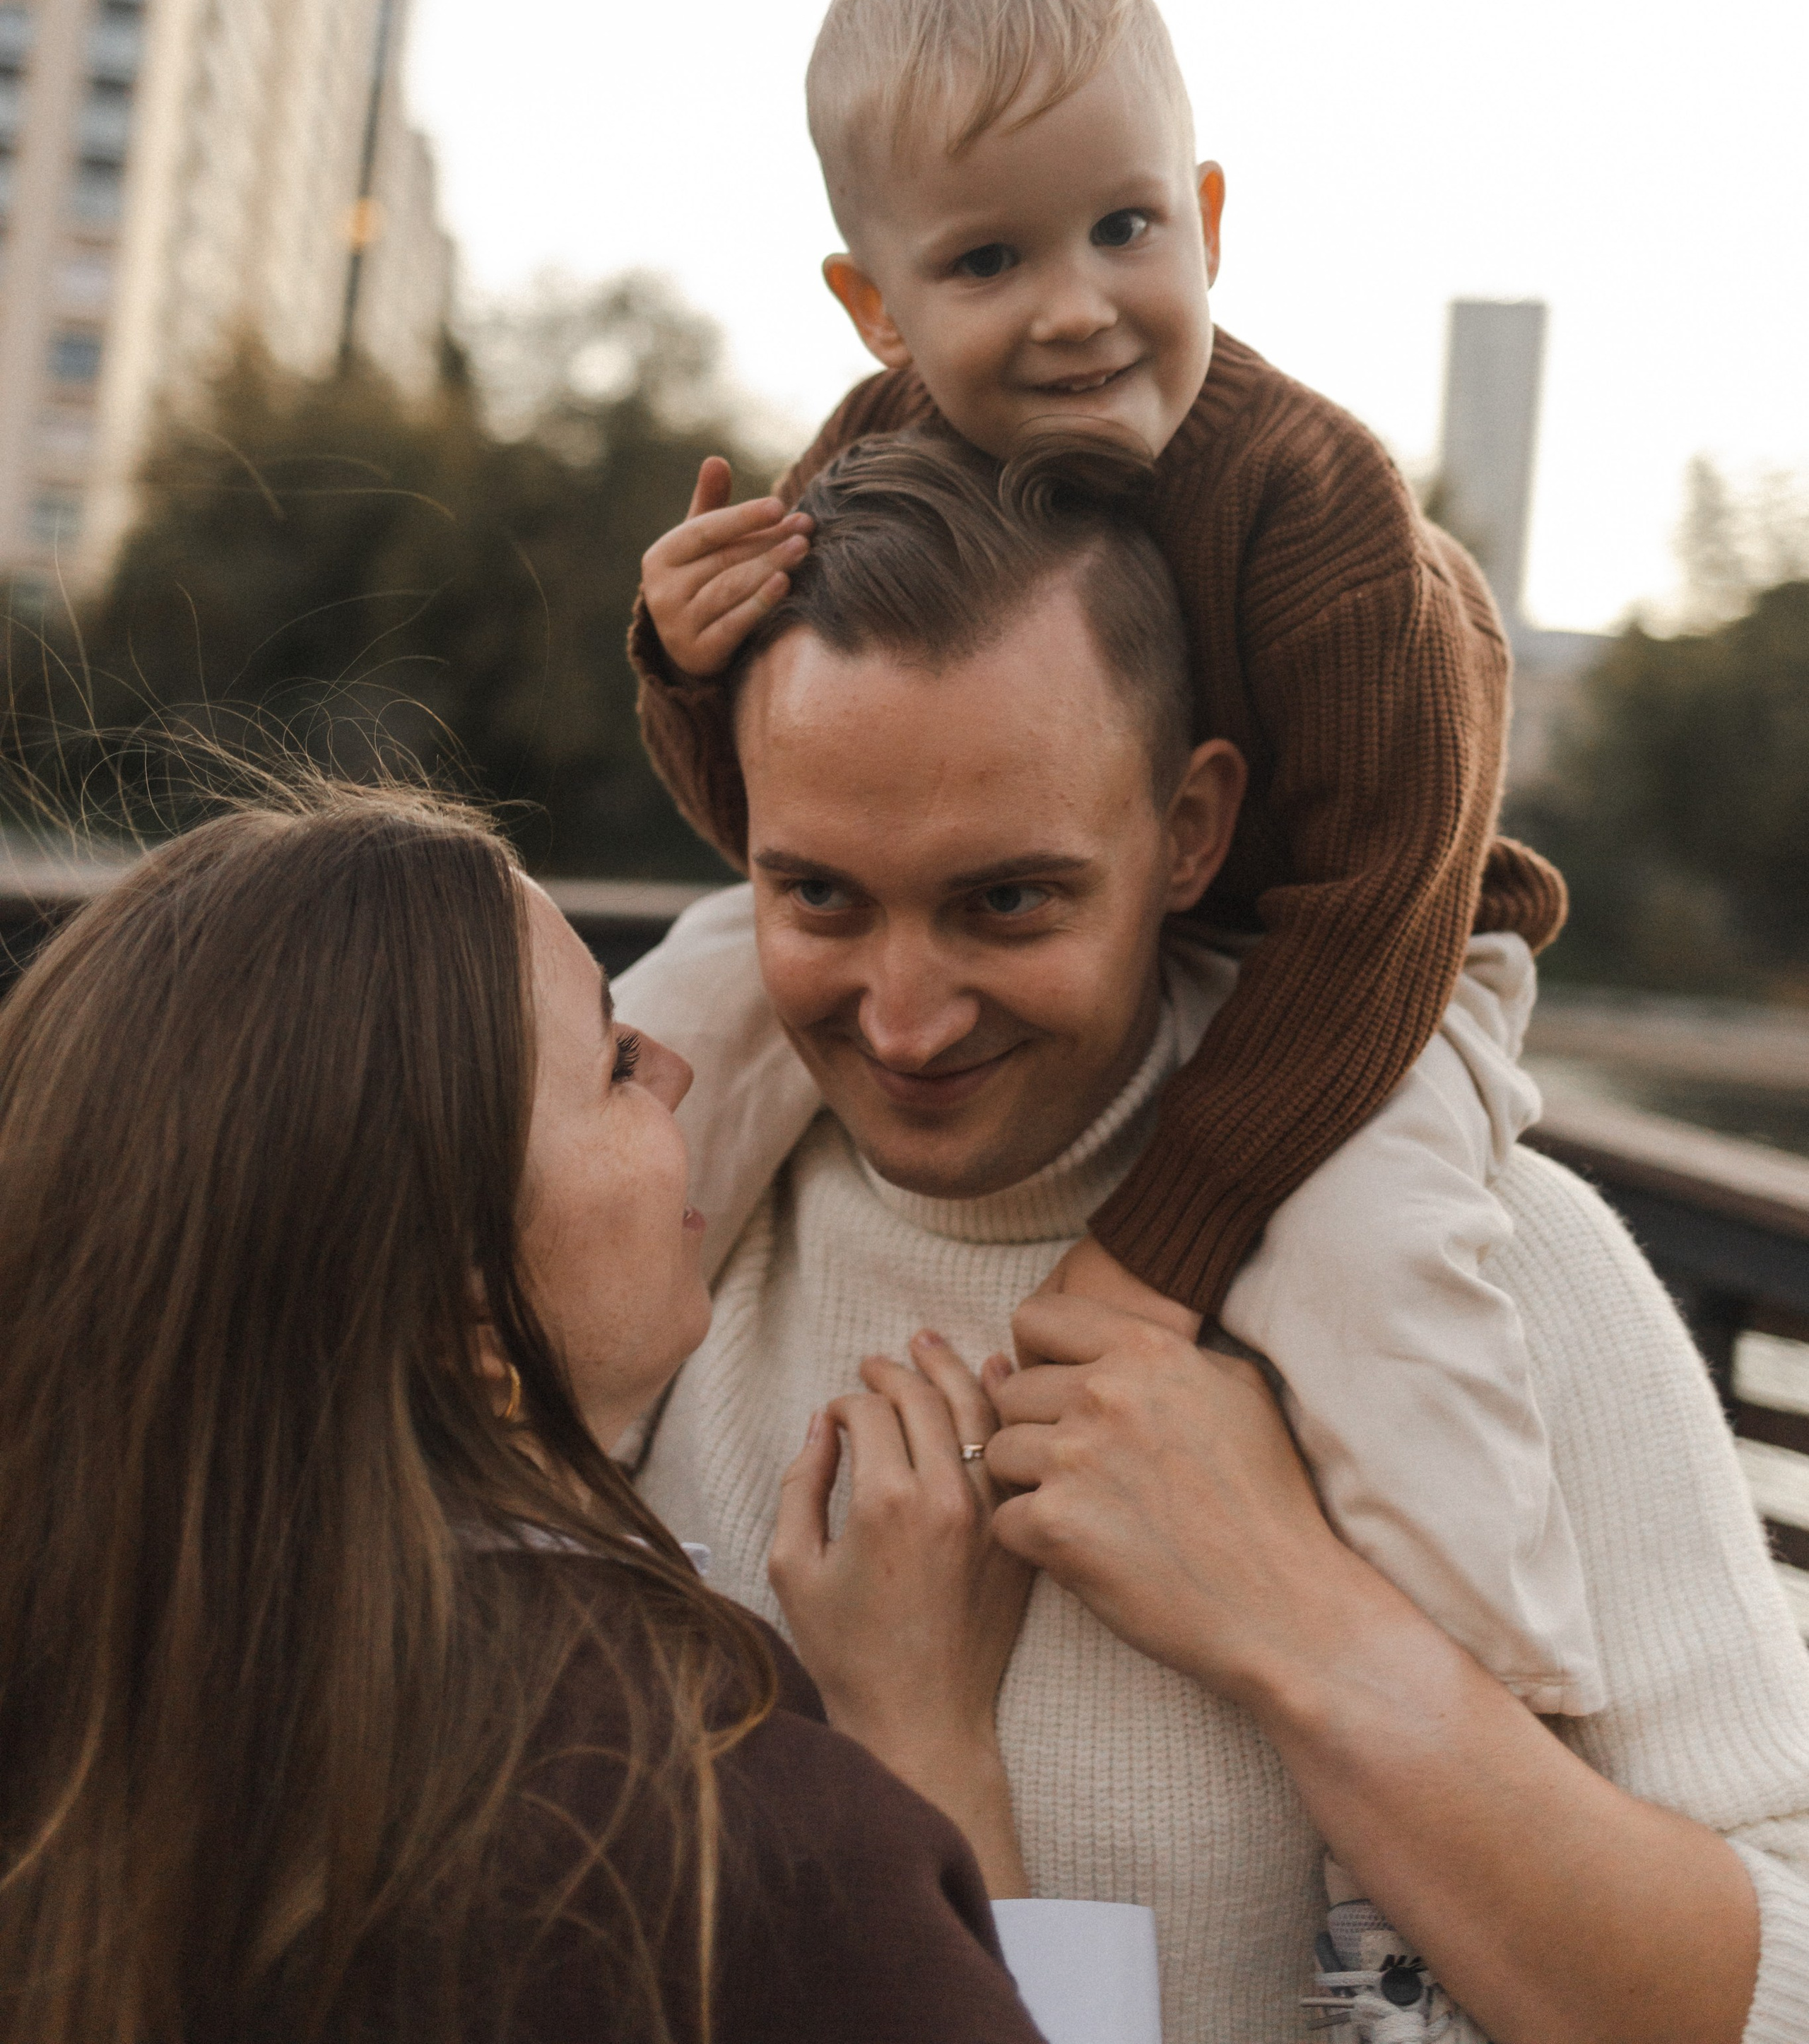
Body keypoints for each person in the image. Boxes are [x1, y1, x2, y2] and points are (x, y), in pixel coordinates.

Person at [617, 432, 1809, 2041]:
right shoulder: (635, 1265)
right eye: (817, 897)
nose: (900, 1020)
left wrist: (1291, 1616)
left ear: (1191, 827)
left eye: (1006, 903)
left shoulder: (1487, 1267)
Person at [0, 778, 1138, 2044]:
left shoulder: (84, 1722)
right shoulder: (723, 1852)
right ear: (469, 1317)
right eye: (612, 1061)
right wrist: (929, 1752)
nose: (680, 1064)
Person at [630, 0, 1567, 1337]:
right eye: (988, 261)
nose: (1075, 310)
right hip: (1065, 921)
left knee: (1379, 1261)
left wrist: (1156, 1248)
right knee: (669, 1033)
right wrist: (692, 673)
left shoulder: (1322, 518)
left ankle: (1444, 1558)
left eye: (1122, 229)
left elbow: (1376, 919)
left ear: (1204, 220)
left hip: (1369, 942)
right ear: (877, 307)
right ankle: (533, 1382)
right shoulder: (865, 465)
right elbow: (795, 835)